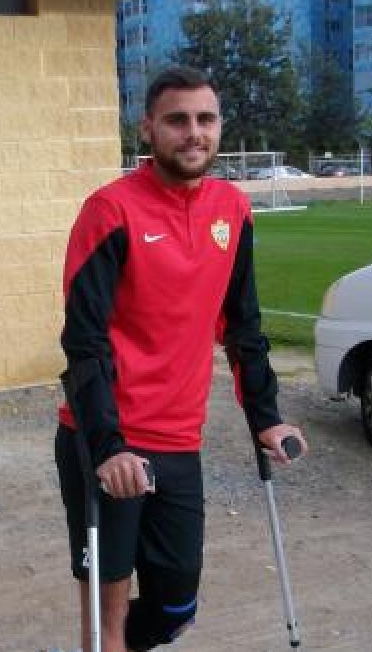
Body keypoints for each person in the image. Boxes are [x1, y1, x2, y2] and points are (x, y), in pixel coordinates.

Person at [55, 65, 306, 652]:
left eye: (205, 119)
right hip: (107, 442)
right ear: (148, 130)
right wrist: (108, 446)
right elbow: (83, 341)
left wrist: (266, 414)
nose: (193, 132)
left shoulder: (232, 210)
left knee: (175, 607)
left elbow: (242, 325)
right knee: (108, 617)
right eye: (177, 121)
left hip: (177, 444)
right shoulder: (111, 211)